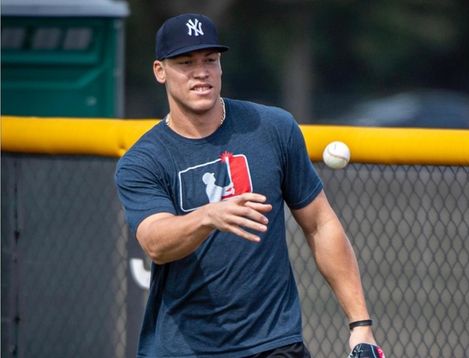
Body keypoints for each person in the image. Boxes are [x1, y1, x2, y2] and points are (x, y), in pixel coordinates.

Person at [115, 13, 381, 357]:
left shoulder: (272, 128)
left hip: (274, 342)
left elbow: (320, 224)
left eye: (210, 60)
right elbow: (155, 242)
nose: (201, 72)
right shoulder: (143, 160)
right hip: (184, 348)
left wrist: (361, 327)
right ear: (160, 71)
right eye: (186, 62)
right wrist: (208, 216)